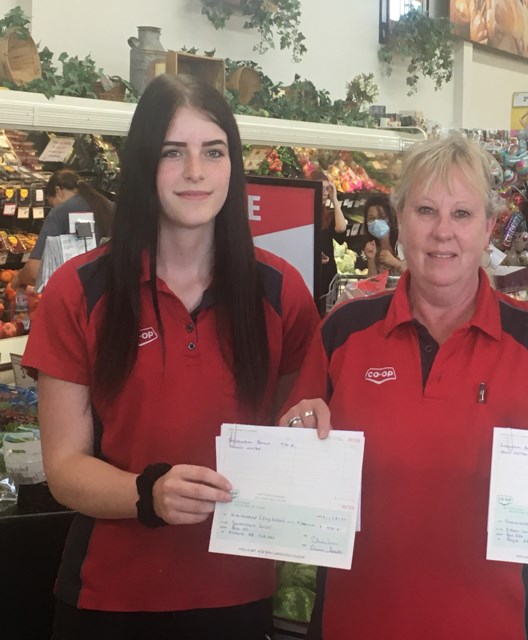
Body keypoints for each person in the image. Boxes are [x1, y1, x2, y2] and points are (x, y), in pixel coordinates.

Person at [280, 134, 528, 639]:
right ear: (398, 223)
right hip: (356, 621)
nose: (443, 232)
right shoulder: (343, 331)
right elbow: (291, 457)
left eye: (461, 214)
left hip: (499, 625)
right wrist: (292, 434)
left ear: (488, 229)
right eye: (425, 210)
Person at [22, 74, 320, 639]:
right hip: (109, 600)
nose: (195, 173)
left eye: (213, 151)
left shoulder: (280, 292)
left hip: (239, 594)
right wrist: (149, 493)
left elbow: (299, 435)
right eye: (172, 153)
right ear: (142, 164)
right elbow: (63, 469)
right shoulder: (78, 291)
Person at [14, 169, 114, 288]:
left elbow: (34, 271)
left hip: (77, 293)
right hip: (111, 291)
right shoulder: (110, 206)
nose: (53, 207)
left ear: (58, 190)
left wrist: (19, 278)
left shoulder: (61, 212)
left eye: (52, 203)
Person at [317, 177, 348, 313]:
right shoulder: (303, 214)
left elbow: (341, 228)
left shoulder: (327, 215)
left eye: (327, 189)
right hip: (313, 274)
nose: (324, 193)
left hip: (328, 275)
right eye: (321, 188)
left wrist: (334, 199)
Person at [360, 194, 405, 275]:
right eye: (371, 219)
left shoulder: (403, 242)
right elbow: (373, 281)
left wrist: (395, 263)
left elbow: (416, 273)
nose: (376, 222)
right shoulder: (372, 246)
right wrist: (371, 260)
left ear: (390, 217)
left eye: (381, 217)